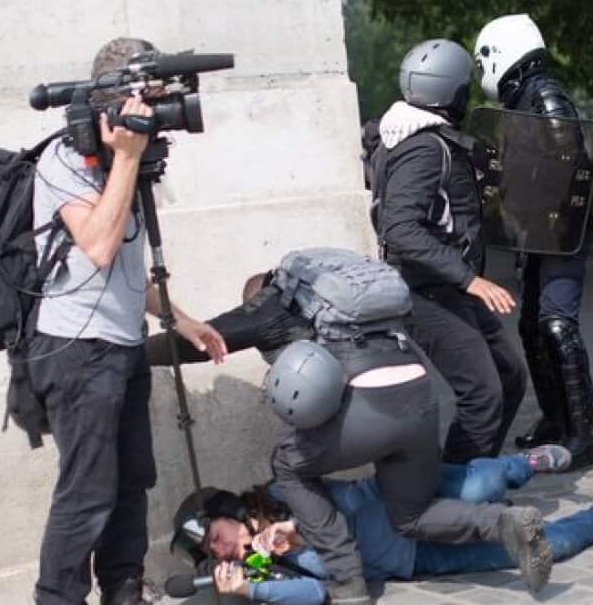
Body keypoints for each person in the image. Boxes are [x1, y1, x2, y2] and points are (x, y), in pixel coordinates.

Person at [144, 250, 552, 603]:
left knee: (287, 465)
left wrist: (133, 355)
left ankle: (349, 585)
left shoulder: (267, 308)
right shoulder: (335, 295)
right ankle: (504, 517)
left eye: (214, 540)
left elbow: (198, 343)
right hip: (417, 392)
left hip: (364, 412)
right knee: (411, 513)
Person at [28, 37, 227, 605]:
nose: (157, 115)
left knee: (131, 481)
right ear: (114, 101)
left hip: (121, 346)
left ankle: (123, 591)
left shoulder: (126, 165)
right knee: (86, 491)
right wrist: (130, 158)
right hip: (75, 350)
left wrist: (180, 319)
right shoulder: (63, 161)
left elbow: (128, 274)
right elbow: (98, 244)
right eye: (150, 100)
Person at [169, 454, 593, 604]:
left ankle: (525, 463)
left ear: (228, 511)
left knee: (488, 481)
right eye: (216, 554)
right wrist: (252, 588)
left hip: (400, 501)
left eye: (216, 537)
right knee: (547, 546)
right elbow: (318, 595)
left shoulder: (279, 491)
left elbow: (342, 506)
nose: (224, 550)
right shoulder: (259, 563)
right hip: (415, 557)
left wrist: (298, 532)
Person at [367, 38, 528, 465]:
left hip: (450, 287)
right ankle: (456, 492)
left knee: (509, 377)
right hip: (428, 291)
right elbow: (398, 228)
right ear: (453, 92)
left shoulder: (419, 137)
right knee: (482, 394)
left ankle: (478, 475)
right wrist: (469, 278)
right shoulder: (422, 147)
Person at [473, 14, 593, 467]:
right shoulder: (524, 96)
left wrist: (520, 185)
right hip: (539, 231)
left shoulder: (543, 94)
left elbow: (567, 157)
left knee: (557, 324)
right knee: (531, 327)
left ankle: (584, 433)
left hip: (560, 229)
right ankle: (554, 418)